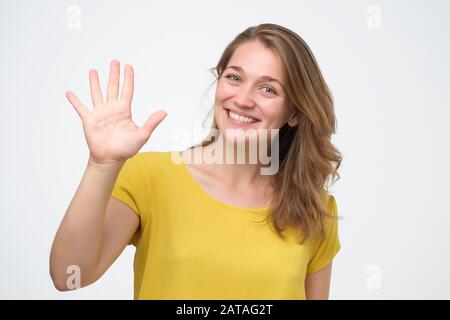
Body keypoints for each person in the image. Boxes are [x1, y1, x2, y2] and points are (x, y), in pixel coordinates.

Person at [49, 23, 342, 300]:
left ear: (295, 113)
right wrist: (102, 166)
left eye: (268, 89)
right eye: (234, 78)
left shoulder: (314, 209)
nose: (242, 99)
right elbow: (68, 276)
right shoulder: (150, 177)